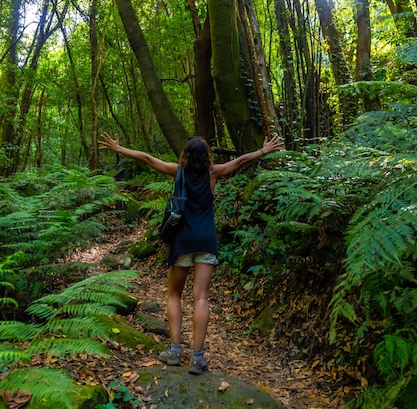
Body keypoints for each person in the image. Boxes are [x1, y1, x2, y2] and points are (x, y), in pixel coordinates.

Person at [99, 132, 283, 374]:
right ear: (206, 155)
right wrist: (263, 151)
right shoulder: (213, 173)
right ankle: (197, 358)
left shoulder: (178, 172)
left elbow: (147, 159)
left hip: (182, 242)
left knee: (174, 293)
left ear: (185, 154)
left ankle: (175, 351)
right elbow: (239, 161)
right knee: (201, 297)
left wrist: (119, 149)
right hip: (205, 241)